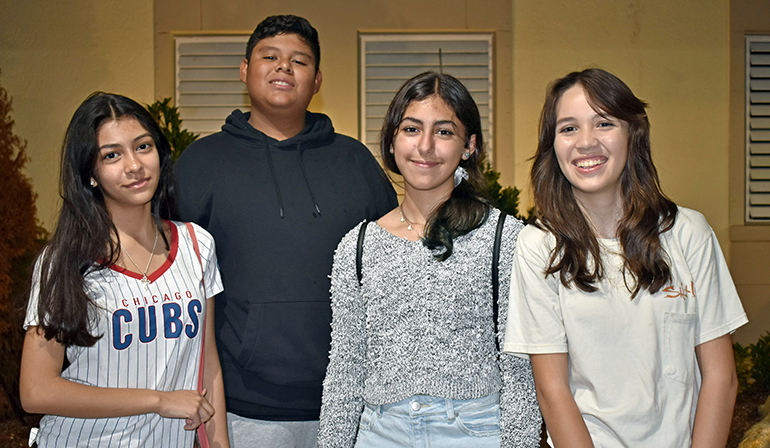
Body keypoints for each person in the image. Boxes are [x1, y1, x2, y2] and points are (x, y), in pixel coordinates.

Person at [173, 15, 397, 448]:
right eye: (270, 56)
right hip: (244, 409)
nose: (284, 68)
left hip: (351, 405)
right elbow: (173, 279)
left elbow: (395, 263)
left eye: (299, 60)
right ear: (244, 69)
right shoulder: (200, 164)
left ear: (316, 80)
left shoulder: (353, 161)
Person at [503, 68, 748, 448]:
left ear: (633, 134)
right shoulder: (539, 246)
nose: (586, 142)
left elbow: (721, 377)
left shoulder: (688, 233)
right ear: (553, 145)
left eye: (604, 123)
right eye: (568, 128)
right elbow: (552, 392)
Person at [317, 71, 542, 448]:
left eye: (443, 132)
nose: (425, 147)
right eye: (411, 129)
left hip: (475, 432)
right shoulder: (357, 246)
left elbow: (520, 370)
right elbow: (345, 368)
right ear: (391, 141)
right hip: (379, 434)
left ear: (468, 146)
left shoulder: (504, 238)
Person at [19, 92, 229, 447]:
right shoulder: (64, 260)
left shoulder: (197, 245)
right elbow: (36, 390)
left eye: (143, 146)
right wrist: (158, 400)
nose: (134, 165)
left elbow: (208, 367)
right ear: (90, 174)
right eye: (112, 155)